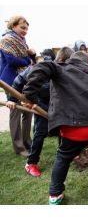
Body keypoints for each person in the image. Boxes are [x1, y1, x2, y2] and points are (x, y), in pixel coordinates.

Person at [22, 51, 88, 205]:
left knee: (63, 157)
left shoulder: (60, 67)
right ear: (87, 63)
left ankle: (55, 194)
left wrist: (29, 95)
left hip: (77, 128)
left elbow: (42, 67)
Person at [6, 49, 57, 177]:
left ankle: (65, 154)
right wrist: (12, 100)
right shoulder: (32, 70)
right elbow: (17, 83)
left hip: (55, 104)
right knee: (40, 133)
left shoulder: (57, 70)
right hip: (38, 103)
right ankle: (31, 163)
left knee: (62, 129)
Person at [0, 15, 36, 157]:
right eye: (22, 27)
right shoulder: (6, 40)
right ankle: (19, 147)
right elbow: (12, 60)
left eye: (27, 28)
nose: (25, 30)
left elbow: (30, 62)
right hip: (10, 80)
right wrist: (28, 58)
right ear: (13, 25)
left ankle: (28, 142)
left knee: (27, 110)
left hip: (24, 80)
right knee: (15, 110)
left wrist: (32, 56)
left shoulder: (22, 41)